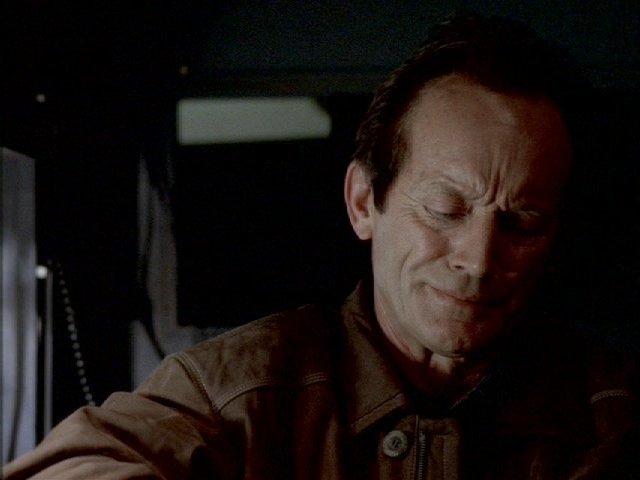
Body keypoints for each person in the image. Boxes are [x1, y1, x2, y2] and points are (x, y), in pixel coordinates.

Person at [4, 13, 639, 480]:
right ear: (364, 202)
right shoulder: (242, 388)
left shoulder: (613, 415)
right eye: (446, 209)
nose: (478, 260)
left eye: (523, 223)